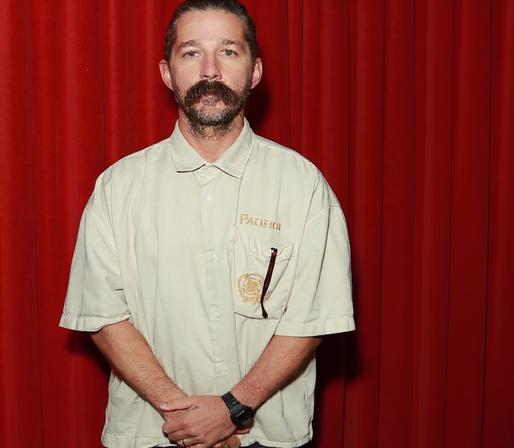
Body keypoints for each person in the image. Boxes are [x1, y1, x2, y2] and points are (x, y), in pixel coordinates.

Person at [59, 1, 355, 447]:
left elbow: (309, 320)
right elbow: (103, 316)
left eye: (229, 52)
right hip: (152, 433)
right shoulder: (117, 188)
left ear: (255, 72)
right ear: (166, 72)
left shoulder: (303, 186)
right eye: (192, 52)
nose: (210, 70)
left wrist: (232, 409)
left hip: (267, 437)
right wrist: (186, 415)